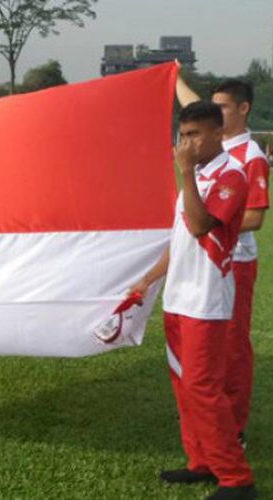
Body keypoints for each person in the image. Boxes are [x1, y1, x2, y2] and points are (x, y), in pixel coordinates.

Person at [130, 101, 255, 499]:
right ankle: (201, 461)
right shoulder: (197, 175)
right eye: (183, 135)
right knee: (184, 385)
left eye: (196, 134)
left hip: (206, 301)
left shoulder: (231, 176)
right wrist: (149, 279)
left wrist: (184, 171)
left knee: (203, 386)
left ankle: (236, 479)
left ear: (218, 133)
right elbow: (180, 239)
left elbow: (201, 226)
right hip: (178, 297)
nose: (187, 143)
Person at [177, 73, 269, 445]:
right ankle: (210, 420)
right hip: (201, 259)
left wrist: (218, 220)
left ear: (243, 109)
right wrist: (173, 76)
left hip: (234, 261)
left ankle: (235, 426)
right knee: (207, 348)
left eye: (223, 107)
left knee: (232, 346)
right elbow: (193, 107)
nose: (215, 112)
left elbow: (256, 217)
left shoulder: (251, 156)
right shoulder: (215, 145)